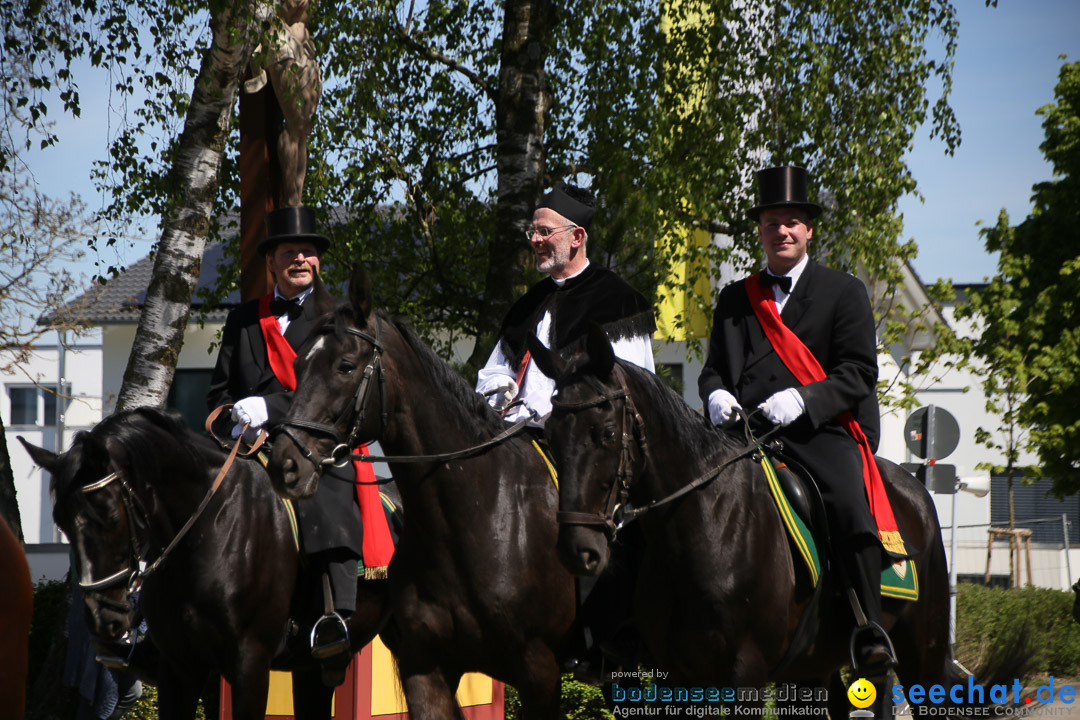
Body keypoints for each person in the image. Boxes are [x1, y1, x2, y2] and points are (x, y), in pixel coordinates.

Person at [697, 165, 902, 671]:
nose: (781, 231)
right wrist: (716, 394)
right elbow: (711, 371)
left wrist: (804, 400)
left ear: (809, 229)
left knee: (849, 504)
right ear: (760, 231)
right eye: (771, 222)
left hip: (817, 432)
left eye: (791, 222)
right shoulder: (734, 299)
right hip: (743, 433)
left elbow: (858, 374)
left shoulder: (843, 291)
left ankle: (867, 627)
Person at [206, 206, 393, 675]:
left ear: (317, 261)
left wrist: (272, 408)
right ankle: (161, 616)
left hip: (318, 442)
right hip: (247, 446)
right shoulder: (245, 320)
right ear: (271, 262)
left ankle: (334, 616)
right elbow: (218, 395)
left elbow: (337, 393)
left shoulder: (340, 318)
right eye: (288, 251)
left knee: (327, 494)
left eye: (306, 252)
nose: (299, 259)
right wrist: (233, 418)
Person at [476, 183, 657, 426]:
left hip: (580, 446)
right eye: (533, 232)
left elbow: (619, 390)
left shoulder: (618, 301)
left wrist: (555, 402)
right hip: (515, 441)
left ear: (577, 237)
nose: (536, 240)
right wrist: (500, 388)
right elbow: (494, 371)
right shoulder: (528, 304)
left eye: (545, 231)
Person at [244, 0, 321, 206]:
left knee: (303, 130)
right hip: (281, 42)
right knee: (295, 125)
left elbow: (307, 12)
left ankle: (296, 196)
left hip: (301, 46)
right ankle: (291, 197)